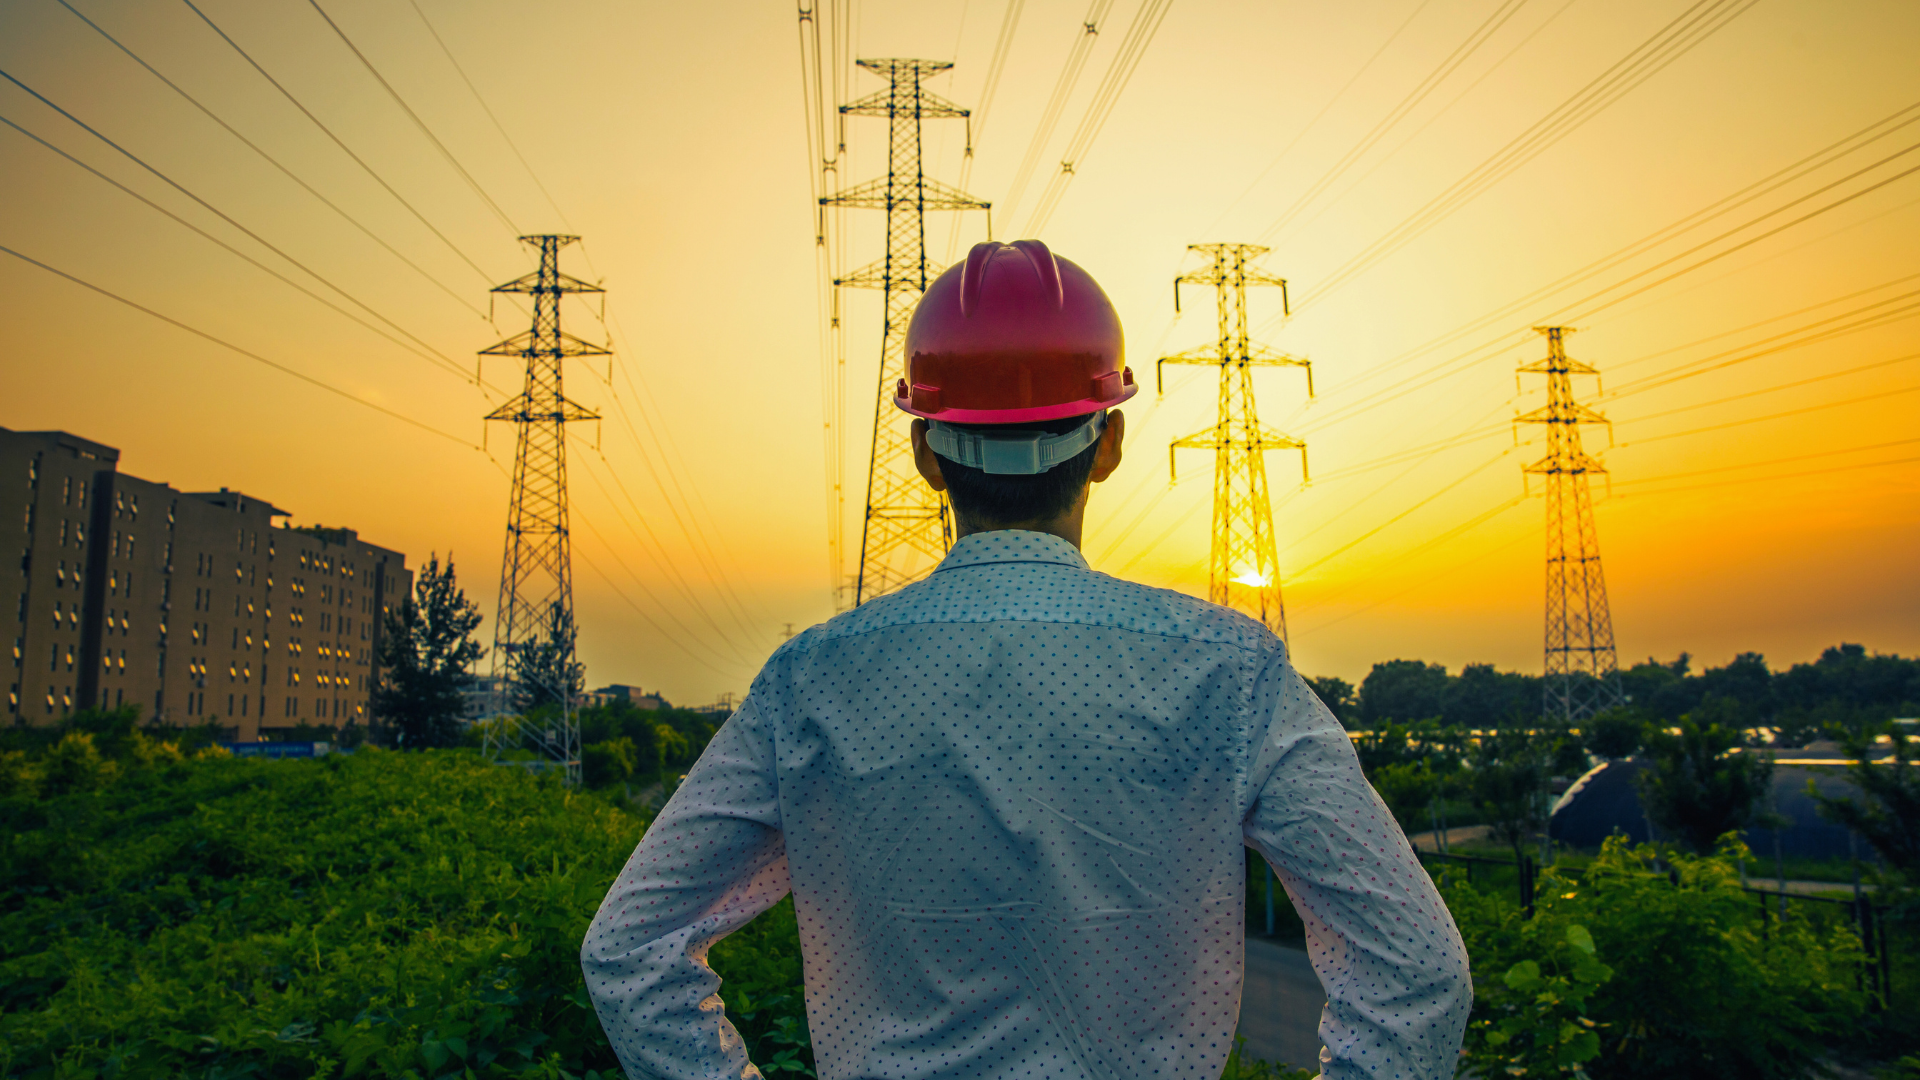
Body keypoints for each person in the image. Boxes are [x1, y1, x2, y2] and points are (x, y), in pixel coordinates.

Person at [582, 240, 1471, 1080]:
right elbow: (1418, 970)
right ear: (1108, 444)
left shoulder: (809, 682)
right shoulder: (1228, 671)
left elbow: (630, 950)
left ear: (926, 453)